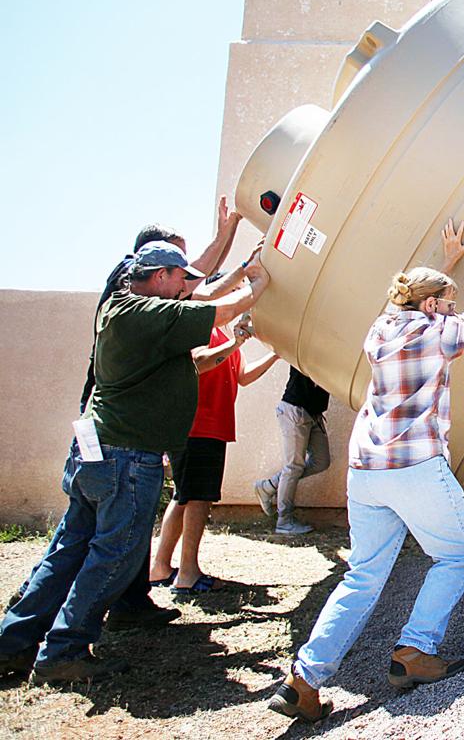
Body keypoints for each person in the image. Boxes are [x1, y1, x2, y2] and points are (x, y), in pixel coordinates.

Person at [268, 222, 464, 722]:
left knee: (362, 576)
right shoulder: (440, 333)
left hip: (366, 469)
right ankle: (413, 651)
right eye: (449, 302)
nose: (454, 310)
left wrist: (447, 261)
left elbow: (408, 296)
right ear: (435, 307)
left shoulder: (380, 328)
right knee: (457, 555)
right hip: (415, 465)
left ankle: (303, 679)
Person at [0, 242, 269, 684]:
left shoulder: (128, 315)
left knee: (70, 549)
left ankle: (13, 643)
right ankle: (63, 651)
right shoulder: (139, 311)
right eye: (180, 277)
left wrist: (234, 343)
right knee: (116, 556)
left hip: (99, 453)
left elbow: (196, 361)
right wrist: (256, 283)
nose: (186, 285)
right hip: (124, 456)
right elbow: (216, 312)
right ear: (159, 275)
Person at [150, 306, 280, 594]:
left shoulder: (224, 335)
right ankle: (187, 575)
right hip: (197, 426)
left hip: (211, 427)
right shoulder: (202, 331)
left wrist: (277, 354)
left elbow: (243, 377)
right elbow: (197, 362)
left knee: (183, 497)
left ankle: (160, 568)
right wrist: (235, 342)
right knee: (197, 499)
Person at [253, 367, 332, 535]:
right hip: (295, 408)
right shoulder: (309, 344)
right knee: (294, 466)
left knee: (321, 461)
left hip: (314, 412)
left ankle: (270, 485)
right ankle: (284, 521)